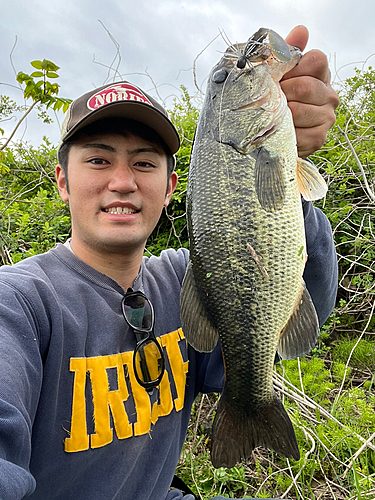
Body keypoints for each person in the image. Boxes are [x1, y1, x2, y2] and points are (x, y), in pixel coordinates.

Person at [0, 26, 338, 500]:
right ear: (61, 181)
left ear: (173, 185)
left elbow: (312, 301)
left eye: (143, 163)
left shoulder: (188, 278)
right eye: (98, 161)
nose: (122, 181)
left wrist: (286, 173)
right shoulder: (16, 304)